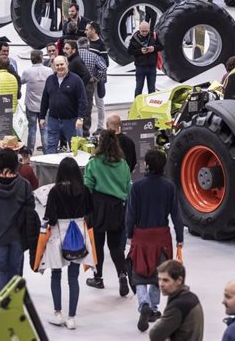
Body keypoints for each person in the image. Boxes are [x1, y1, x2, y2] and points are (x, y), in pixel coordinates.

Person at [126, 149, 184, 331]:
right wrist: (180, 237)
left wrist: (129, 234)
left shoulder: (137, 186)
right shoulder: (169, 187)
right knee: (158, 275)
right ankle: (153, 307)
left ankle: (143, 304)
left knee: (140, 274)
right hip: (161, 237)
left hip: (141, 236)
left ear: (147, 165)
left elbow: (131, 214)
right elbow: (176, 214)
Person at [43, 157, 92, 330]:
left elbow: (50, 217)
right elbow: (90, 212)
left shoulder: (55, 191)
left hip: (58, 234)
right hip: (78, 234)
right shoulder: (84, 190)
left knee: (56, 274)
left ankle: (58, 313)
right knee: (74, 277)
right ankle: (72, 317)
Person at [83, 130, 131, 295]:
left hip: (97, 209)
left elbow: (87, 187)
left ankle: (98, 278)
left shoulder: (94, 163)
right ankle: (122, 274)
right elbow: (128, 188)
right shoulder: (123, 164)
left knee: (97, 245)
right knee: (116, 246)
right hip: (118, 208)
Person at [0, 148, 35, 293]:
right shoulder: (24, 185)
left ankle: (3, 302)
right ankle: (14, 302)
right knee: (15, 270)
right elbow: (31, 207)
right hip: (17, 235)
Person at [39, 56, 87, 154]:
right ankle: (51, 168)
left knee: (76, 149)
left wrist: (80, 118)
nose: (60, 67)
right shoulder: (50, 80)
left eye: (62, 64)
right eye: (57, 65)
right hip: (53, 120)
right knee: (51, 146)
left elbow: (82, 101)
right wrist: (42, 117)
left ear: (67, 64)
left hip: (72, 121)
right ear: (53, 66)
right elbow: (45, 99)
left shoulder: (76, 80)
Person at [150, 260, 204, 341]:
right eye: (159, 279)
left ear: (179, 280)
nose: (161, 284)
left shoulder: (178, 306)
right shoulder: (191, 297)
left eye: (166, 280)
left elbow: (155, 335)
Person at [22, 50, 51, 153]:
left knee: (32, 129)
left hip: (31, 105)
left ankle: (29, 152)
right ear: (42, 57)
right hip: (45, 106)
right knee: (45, 130)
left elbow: (21, 82)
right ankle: (46, 153)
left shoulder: (27, 72)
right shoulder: (49, 71)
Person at [77, 37, 106, 137]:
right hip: (88, 84)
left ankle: (76, 131)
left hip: (75, 84)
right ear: (88, 45)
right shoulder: (93, 56)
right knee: (87, 108)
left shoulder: (74, 56)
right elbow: (103, 67)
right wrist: (97, 77)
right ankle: (85, 132)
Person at [127, 21, 163, 97]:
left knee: (152, 89)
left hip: (152, 66)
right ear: (139, 29)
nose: (144, 33)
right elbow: (129, 51)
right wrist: (140, 51)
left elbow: (161, 46)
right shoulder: (134, 37)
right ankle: (137, 105)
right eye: (142, 31)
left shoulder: (154, 35)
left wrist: (154, 48)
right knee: (139, 87)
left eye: (146, 31)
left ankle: (152, 106)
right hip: (140, 67)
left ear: (149, 29)